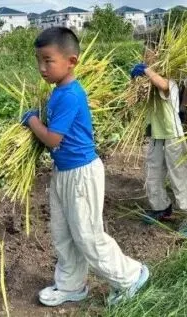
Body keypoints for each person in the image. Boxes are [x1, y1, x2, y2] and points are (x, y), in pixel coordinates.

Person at [21, 27, 149, 307]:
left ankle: (130, 276)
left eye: (48, 61)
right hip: (63, 172)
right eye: (38, 61)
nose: (41, 68)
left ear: (71, 61)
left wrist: (31, 121)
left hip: (81, 174)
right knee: (63, 233)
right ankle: (71, 285)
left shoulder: (70, 95)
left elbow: (52, 138)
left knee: (87, 235)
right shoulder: (58, 92)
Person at [130, 58, 187, 237]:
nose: (147, 56)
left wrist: (146, 70)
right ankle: (161, 207)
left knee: (180, 174)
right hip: (156, 134)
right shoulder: (150, 80)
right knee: (153, 172)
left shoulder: (170, 79)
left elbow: (163, 85)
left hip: (173, 134)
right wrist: (135, 80)